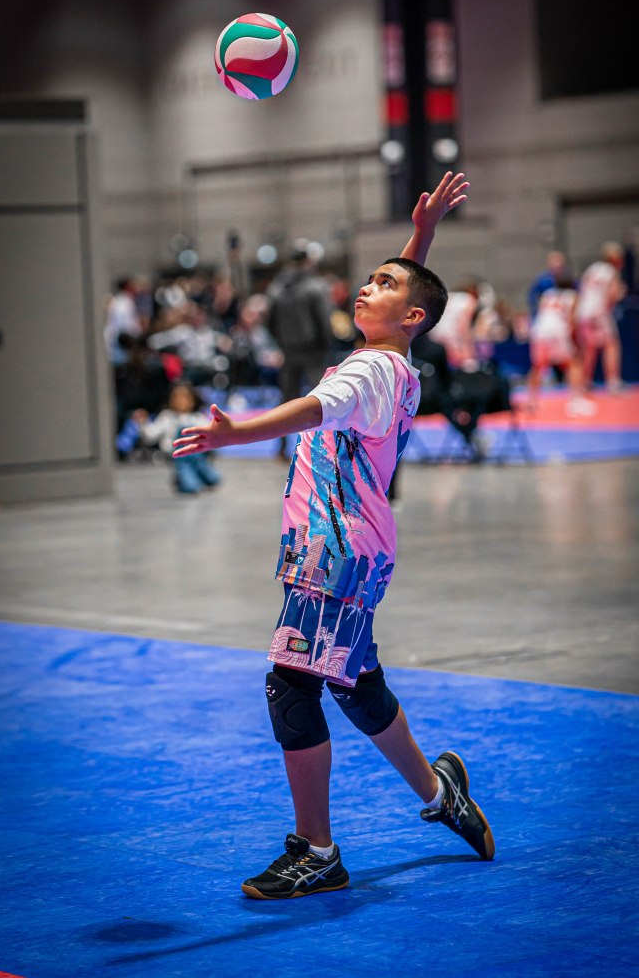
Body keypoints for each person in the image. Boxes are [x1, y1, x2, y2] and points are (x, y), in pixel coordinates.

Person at [174, 171, 495, 899]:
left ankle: (316, 851)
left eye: (383, 284)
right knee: (354, 682)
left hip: (337, 552)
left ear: (410, 315)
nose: (367, 287)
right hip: (342, 549)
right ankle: (439, 792)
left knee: (291, 686)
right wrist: (421, 237)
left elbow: (315, 408)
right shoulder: (394, 358)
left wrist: (237, 432)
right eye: (370, 279)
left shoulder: (371, 369)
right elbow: (411, 297)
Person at [266, 245, 334, 455]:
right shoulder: (315, 285)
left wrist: (281, 343)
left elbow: (269, 322)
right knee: (322, 399)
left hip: (289, 349)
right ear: (307, 261)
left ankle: (281, 447)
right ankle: (326, 447)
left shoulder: (277, 287)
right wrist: (326, 345)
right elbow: (324, 320)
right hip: (313, 351)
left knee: (286, 400)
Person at [135, 382, 221, 494]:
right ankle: (185, 478)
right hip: (178, 457)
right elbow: (150, 436)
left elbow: (210, 435)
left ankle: (197, 475)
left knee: (213, 479)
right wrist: (143, 423)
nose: (180, 401)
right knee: (190, 487)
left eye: (184, 397)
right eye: (176, 397)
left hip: (198, 456)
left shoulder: (198, 417)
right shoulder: (167, 417)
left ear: (192, 400)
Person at [527, 280, 594, 416]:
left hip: (539, 332)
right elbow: (572, 320)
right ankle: (576, 402)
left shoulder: (547, 294)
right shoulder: (573, 296)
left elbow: (541, 313)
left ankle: (532, 401)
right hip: (557, 332)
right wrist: (576, 342)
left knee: (538, 366)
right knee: (574, 363)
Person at [574, 242, 626, 392]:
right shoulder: (611, 272)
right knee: (611, 345)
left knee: (589, 348)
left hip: (584, 313)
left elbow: (581, 291)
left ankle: (585, 383)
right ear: (615, 259)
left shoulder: (592, 269)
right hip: (599, 313)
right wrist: (620, 293)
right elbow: (612, 295)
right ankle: (613, 382)